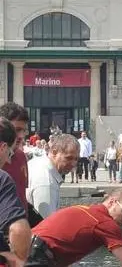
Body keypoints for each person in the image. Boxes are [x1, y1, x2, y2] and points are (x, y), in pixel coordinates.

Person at [27, 188, 122, 267]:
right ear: (112, 202)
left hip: (24, 248)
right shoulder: (104, 222)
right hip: (37, 257)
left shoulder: (84, 210)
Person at [0, 117, 32, 264]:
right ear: (2, 147)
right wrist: (18, 261)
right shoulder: (2, 179)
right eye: (9, 153)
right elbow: (18, 229)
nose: (8, 160)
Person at [27, 134, 80, 219]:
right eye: (68, 158)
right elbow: (46, 223)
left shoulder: (37, 163)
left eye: (76, 159)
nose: (73, 164)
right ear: (54, 152)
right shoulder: (46, 183)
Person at [0, 103, 30, 217]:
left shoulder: (21, 157)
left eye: (24, 130)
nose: (21, 135)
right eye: (17, 130)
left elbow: (22, 197)